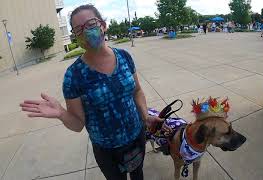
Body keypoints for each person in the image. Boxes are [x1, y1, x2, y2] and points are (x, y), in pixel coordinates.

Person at [19, 4, 170, 180]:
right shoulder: (73, 76)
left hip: (137, 136)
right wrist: (61, 113)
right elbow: (77, 124)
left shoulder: (125, 57)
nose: (86, 32)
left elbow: (137, 91)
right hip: (107, 151)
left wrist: (145, 115)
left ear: (103, 25)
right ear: (76, 37)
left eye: (91, 24)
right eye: (78, 29)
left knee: (138, 175)